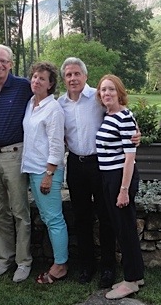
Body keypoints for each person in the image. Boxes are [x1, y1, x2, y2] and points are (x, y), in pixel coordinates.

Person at [58, 57, 117, 288]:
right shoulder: (60, 103)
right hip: (75, 164)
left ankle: (108, 268)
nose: (73, 78)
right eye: (68, 75)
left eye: (76, 74)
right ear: (64, 79)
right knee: (81, 217)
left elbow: (119, 110)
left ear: (85, 76)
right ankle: (87, 265)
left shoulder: (97, 97)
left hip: (99, 164)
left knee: (106, 216)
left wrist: (135, 132)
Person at [0, 44, 33, 283]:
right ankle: (4, 259)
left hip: (15, 153)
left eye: (4, 61)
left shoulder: (23, 86)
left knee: (19, 210)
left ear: (10, 64)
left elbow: (48, 102)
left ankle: (23, 262)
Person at [95, 74, 145, 300]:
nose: (106, 93)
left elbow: (129, 158)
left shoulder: (124, 117)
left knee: (125, 229)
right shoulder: (109, 115)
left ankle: (131, 280)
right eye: (103, 90)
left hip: (120, 178)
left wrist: (123, 189)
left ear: (119, 92)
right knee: (121, 227)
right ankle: (136, 274)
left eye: (111, 90)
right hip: (108, 176)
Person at [21, 61, 69, 284]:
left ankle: (60, 265)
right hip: (33, 169)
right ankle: (59, 261)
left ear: (50, 84)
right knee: (49, 218)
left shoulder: (53, 109)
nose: (36, 81)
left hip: (46, 171)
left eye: (42, 78)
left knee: (54, 219)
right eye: (34, 77)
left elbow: (57, 145)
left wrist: (49, 174)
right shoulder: (31, 104)